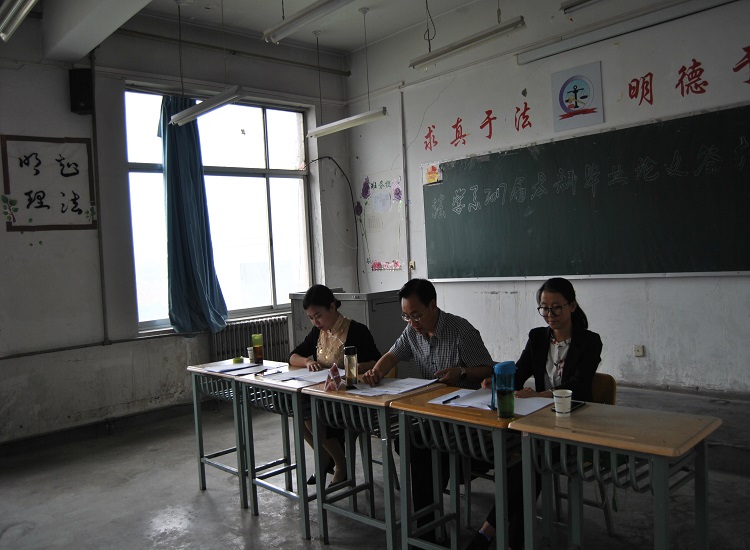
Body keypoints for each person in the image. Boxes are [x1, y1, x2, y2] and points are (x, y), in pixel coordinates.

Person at [466, 277, 603, 550]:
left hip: (576, 424)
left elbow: (578, 386)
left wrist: (540, 395)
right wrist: (498, 381)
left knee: (528, 459)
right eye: (544, 308)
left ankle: (489, 533)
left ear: (572, 306)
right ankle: (509, 539)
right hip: (541, 423)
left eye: (556, 307)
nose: (550, 314)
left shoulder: (589, 341)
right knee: (522, 457)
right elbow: (519, 374)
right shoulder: (537, 337)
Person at [362, 278, 494, 539]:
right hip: (432, 415)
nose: (412, 322)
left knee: (422, 449)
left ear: (432, 305)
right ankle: (428, 525)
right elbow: (392, 355)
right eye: (406, 316)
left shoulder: (461, 331)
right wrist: (376, 372)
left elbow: (488, 369)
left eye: (416, 315)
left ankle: (427, 527)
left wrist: (462, 372)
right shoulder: (412, 332)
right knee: (409, 442)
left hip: (465, 417)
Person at [289, 284, 381, 486]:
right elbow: (293, 356)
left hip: (353, 399)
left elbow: (378, 362)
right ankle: (327, 456)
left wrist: (356, 368)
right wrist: (307, 361)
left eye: (318, 316)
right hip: (326, 396)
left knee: (310, 414)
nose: (315, 322)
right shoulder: (317, 333)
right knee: (298, 412)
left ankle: (339, 464)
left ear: (332, 307)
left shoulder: (357, 331)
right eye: (311, 318)